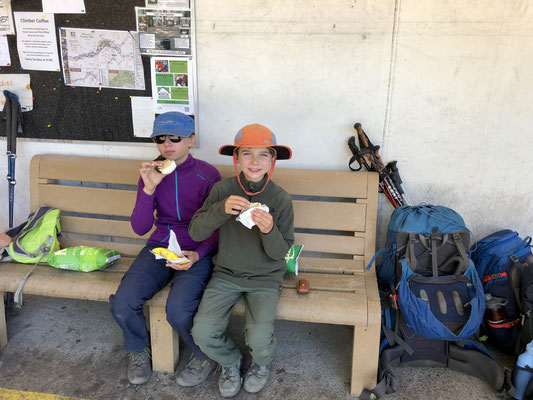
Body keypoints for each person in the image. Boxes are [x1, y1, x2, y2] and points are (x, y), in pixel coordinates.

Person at [109, 112, 221, 386]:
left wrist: (199, 254)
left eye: (176, 138)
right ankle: (138, 349)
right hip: (160, 246)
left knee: (179, 311)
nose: (167, 144)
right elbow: (139, 227)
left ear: (191, 140)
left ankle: (203, 355)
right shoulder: (151, 173)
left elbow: (219, 226)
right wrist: (148, 189)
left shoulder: (207, 174)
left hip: (195, 250)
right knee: (123, 302)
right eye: (160, 138)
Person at [189, 123, 294, 397]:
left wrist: (269, 230)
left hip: (265, 278)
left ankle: (260, 364)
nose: (255, 161)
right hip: (226, 274)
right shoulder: (223, 190)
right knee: (202, 331)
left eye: (263, 155)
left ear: (273, 159)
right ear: (236, 158)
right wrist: (220, 210)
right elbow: (196, 232)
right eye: (247, 153)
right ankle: (230, 361)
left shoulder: (280, 199)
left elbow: (280, 252)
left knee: (259, 338)